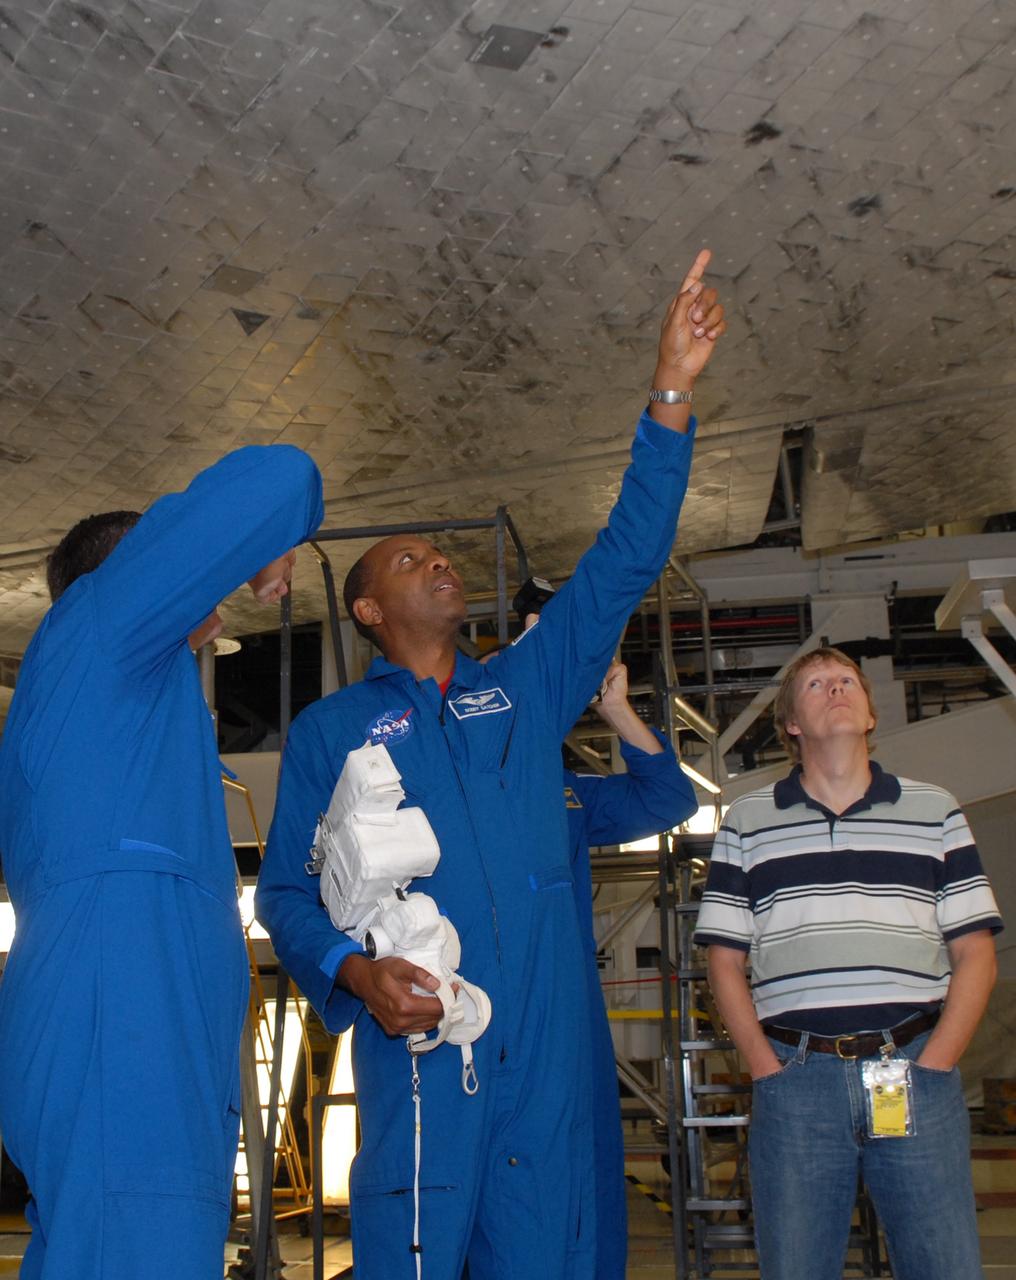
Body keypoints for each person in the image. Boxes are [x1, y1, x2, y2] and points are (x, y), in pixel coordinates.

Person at [255, 250, 725, 1279]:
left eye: (439, 552)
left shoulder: (523, 687)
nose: (437, 559)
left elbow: (623, 562)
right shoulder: (335, 730)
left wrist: (670, 392)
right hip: (424, 1050)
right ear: (367, 609)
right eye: (406, 559)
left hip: (549, 1054)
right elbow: (284, 893)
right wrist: (354, 972)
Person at [0, 445, 323, 1280]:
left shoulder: (114, 686)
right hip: (127, 994)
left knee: (113, 1240)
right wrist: (262, 544)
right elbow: (281, 475)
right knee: (138, 1234)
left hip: (121, 990)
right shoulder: (103, 620)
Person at [694, 646, 1003, 1280]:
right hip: (796, 1081)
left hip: (914, 1068)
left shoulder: (936, 811)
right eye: (815, 684)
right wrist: (766, 1070)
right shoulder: (748, 822)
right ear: (791, 723)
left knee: (944, 1265)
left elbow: (975, 952)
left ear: (869, 715)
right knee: (796, 1267)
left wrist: (937, 1063)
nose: (835, 689)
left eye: (846, 681)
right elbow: (724, 961)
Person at [564, 660, 697, 1280]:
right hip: (460, 1012)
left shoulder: (563, 793)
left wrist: (615, 709)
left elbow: (668, 798)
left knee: (581, 1182)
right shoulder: (427, 780)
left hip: (562, 1018)